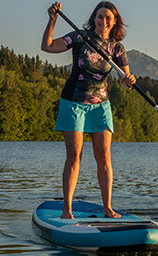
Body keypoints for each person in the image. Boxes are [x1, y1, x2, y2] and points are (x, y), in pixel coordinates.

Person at [41, 1, 136, 219]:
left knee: (104, 158)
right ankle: (67, 209)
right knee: (74, 157)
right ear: (94, 18)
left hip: (100, 106)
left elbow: (124, 81)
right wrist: (52, 20)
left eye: (108, 18)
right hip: (74, 102)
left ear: (114, 22)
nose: (104, 21)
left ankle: (107, 208)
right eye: (100, 16)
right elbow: (47, 46)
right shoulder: (79, 37)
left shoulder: (117, 49)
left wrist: (128, 79)